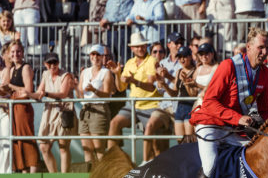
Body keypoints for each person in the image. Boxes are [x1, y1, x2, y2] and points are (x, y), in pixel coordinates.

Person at [187, 27, 268, 178]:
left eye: (267, 48)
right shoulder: (228, 66)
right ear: (249, 46)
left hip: (235, 128)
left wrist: (264, 127)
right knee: (211, 165)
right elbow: (209, 102)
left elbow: (265, 111)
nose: (264, 51)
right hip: (210, 122)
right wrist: (237, 118)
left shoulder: (266, 73)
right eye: (260, 47)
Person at [106, 31, 162, 164]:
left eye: (142, 45)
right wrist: (117, 74)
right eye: (137, 46)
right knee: (114, 123)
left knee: (156, 145)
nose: (140, 48)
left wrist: (134, 80)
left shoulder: (152, 61)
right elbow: (121, 88)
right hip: (133, 105)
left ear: (146, 46)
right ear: (132, 48)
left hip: (151, 105)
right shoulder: (130, 62)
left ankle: (145, 163)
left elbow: (151, 87)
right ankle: (111, 161)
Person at [34, 52, 76, 173]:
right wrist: (24, 93)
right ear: (45, 64)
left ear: (58, 63)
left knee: (63, 146)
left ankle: (63, 177)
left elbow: (62, 94)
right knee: (44, 146)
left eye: (55, 62)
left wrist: (45, 94)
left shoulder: (66, 75)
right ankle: (54, 176)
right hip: (49, 112)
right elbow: (38, 93)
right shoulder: (45, 74)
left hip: (64, 111)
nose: (53, 65)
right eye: (49, 63)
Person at [5, 40, 38, 173]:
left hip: (23, 106)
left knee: (26, 138)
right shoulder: (12, 69)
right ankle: (24, 171)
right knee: (17, 140)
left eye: (18, 51)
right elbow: (9, 89)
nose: (15, 54)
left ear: (23, 53)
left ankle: (33, 171)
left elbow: (28, 90)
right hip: (14, 105)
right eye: (13, 52)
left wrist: (10, 86)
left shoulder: (26, 68)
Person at [78, 44, 113, 163]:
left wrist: (94, 90)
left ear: (103, 56)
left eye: (98, 54)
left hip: (100, 109)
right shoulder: (84, 72)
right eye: (93, 54)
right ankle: (90, 177)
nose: (95, 57)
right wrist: (75, 86)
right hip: (85, 109)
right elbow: (80, 95)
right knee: (87, 149)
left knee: (99, 150)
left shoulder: (106, 72)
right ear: (89, 56)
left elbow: (107, 94)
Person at [157, 45, 197, 143]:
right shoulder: (179, 72)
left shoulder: (196, 71)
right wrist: (165, 85)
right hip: (180, 107)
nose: (182, 59)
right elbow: (174, 94)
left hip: (190, 107)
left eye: (184, 56)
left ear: (190, 57)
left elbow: (194, 94)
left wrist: (186, 82)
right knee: (180, 141)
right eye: (179, 57)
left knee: (190, 140)